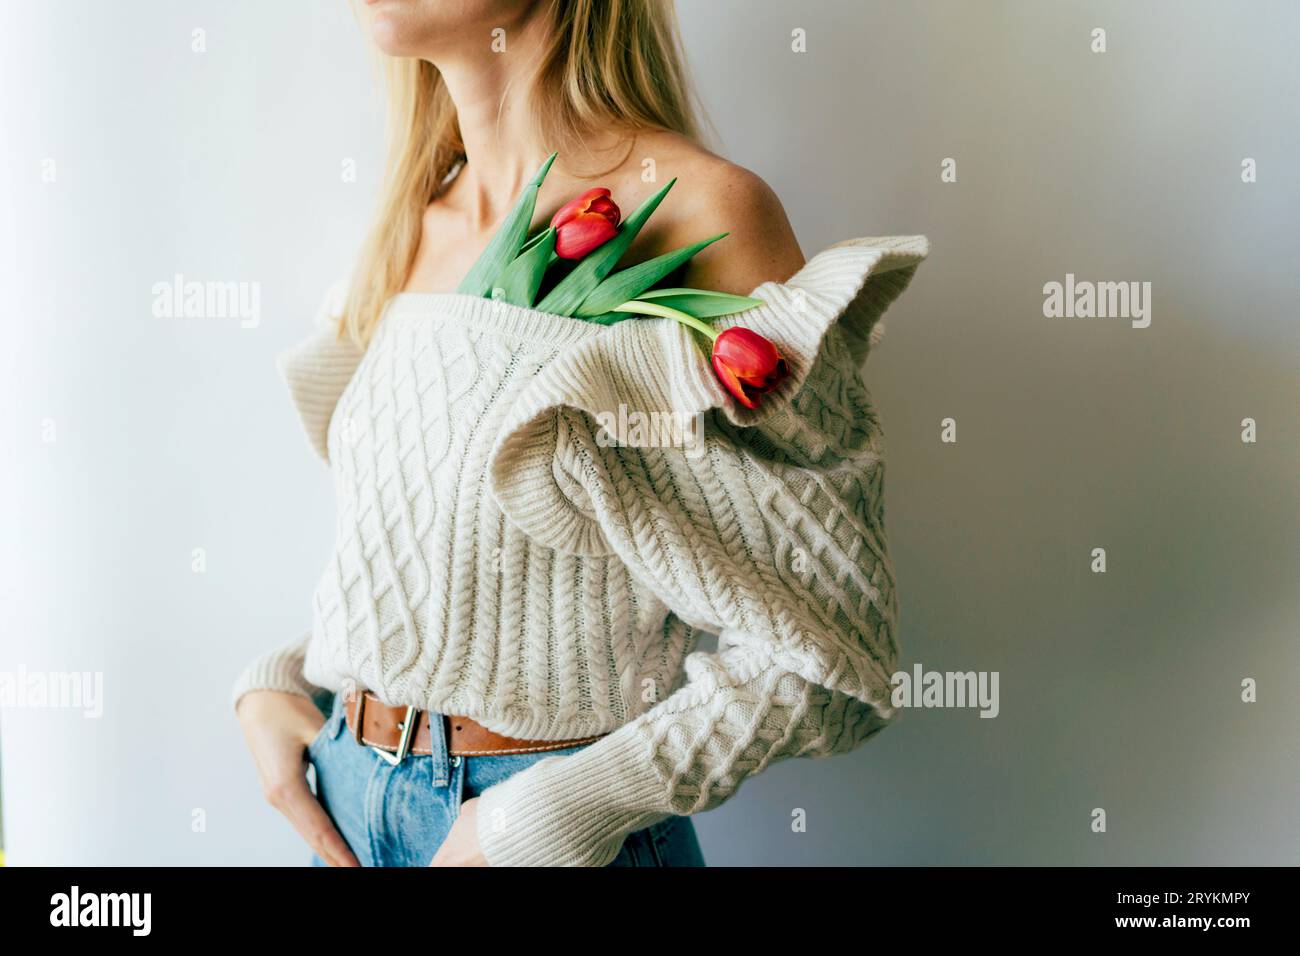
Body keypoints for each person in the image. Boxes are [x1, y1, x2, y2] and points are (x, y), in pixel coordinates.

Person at [234, 0, 925, 867]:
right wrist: (281, 684)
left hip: (545, 840)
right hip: (346, 805)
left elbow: (832, 656)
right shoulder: (415, 221)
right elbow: (446, 570)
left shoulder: (706, 215)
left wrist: (542, 821)